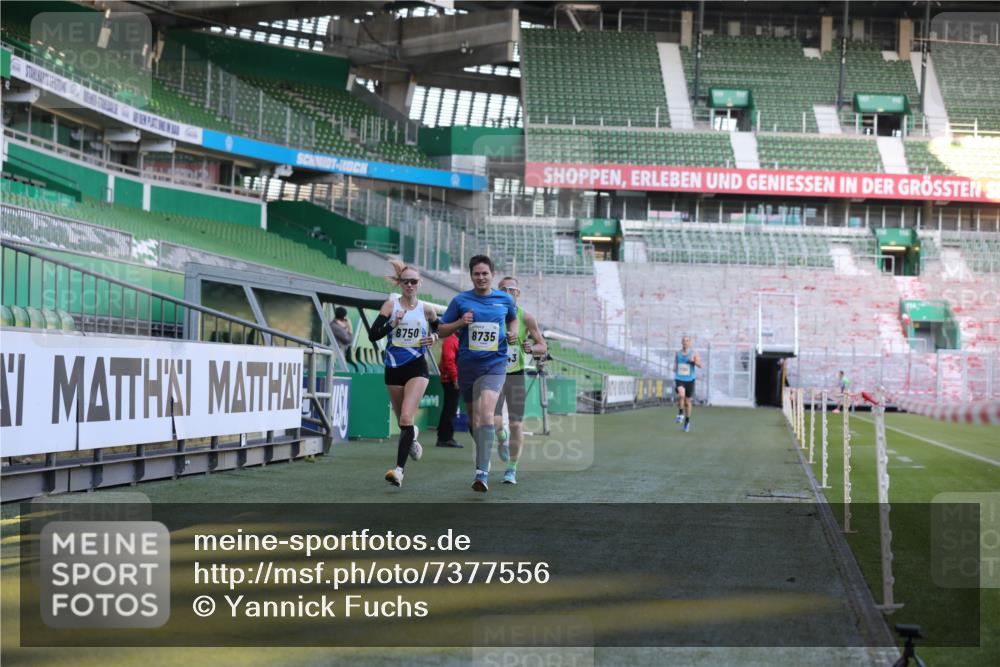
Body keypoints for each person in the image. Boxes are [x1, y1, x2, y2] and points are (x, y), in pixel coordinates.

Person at [438, 255, 518, 493]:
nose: (481, 277)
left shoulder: (504, 299)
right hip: (468, 366)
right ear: (471, 276)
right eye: (476, 274)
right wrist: (460, 322)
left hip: (495, 364)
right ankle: (500, 437)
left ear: (492, 275)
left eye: (485, 273)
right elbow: (442, 330)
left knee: (485, 413)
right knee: (476, 421)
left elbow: (513, 320)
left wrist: (512, 334)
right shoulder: (461, 300)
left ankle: (481, 472)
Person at [367, 260, 439, 488]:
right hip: (393, 367)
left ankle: (399, 471)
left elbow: (439, 328)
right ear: (400, 284)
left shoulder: (426, 309)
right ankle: (413, 440)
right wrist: (392, 325)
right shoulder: (390, 306)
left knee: (407, 417)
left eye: (414, 281)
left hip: (417, 366)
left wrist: (434, 337)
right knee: (402, 422)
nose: (410, 285)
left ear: (420, 284)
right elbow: (373, 336)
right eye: (406, 281)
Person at [492, 276, 547, 485]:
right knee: (494, 420)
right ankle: (500, 437)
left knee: (516, 424)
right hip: (492, 373)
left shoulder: (527, 318)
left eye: (511, 289)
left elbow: (542, 346)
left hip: (515, 374)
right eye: (502, 289)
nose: (507, 292)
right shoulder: (491, 314)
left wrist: (531, 348)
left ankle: (511, 469)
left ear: (518, 293)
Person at [435, 333, 462, 448]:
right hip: (450, 379)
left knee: (449, 408)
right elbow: (448, 360)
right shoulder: (451, 340)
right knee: (450, 409)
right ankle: (445, 438)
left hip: (450, 378)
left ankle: (443, 436)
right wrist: (455, 378)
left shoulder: (453, 339)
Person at [673, 335, 701, 433]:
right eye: (684, 341)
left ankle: (687, 421)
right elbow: (675, 363)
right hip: (679, 378)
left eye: (687, 341)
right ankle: (680, 413)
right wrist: (674, 368)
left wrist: (693, 362)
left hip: (690, 380)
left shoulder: (694, 353)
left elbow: (700, 365)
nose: (685, 342)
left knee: (687, 402)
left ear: (689, 343)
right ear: (681, 342)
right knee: (681, 395)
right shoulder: (677, 353)